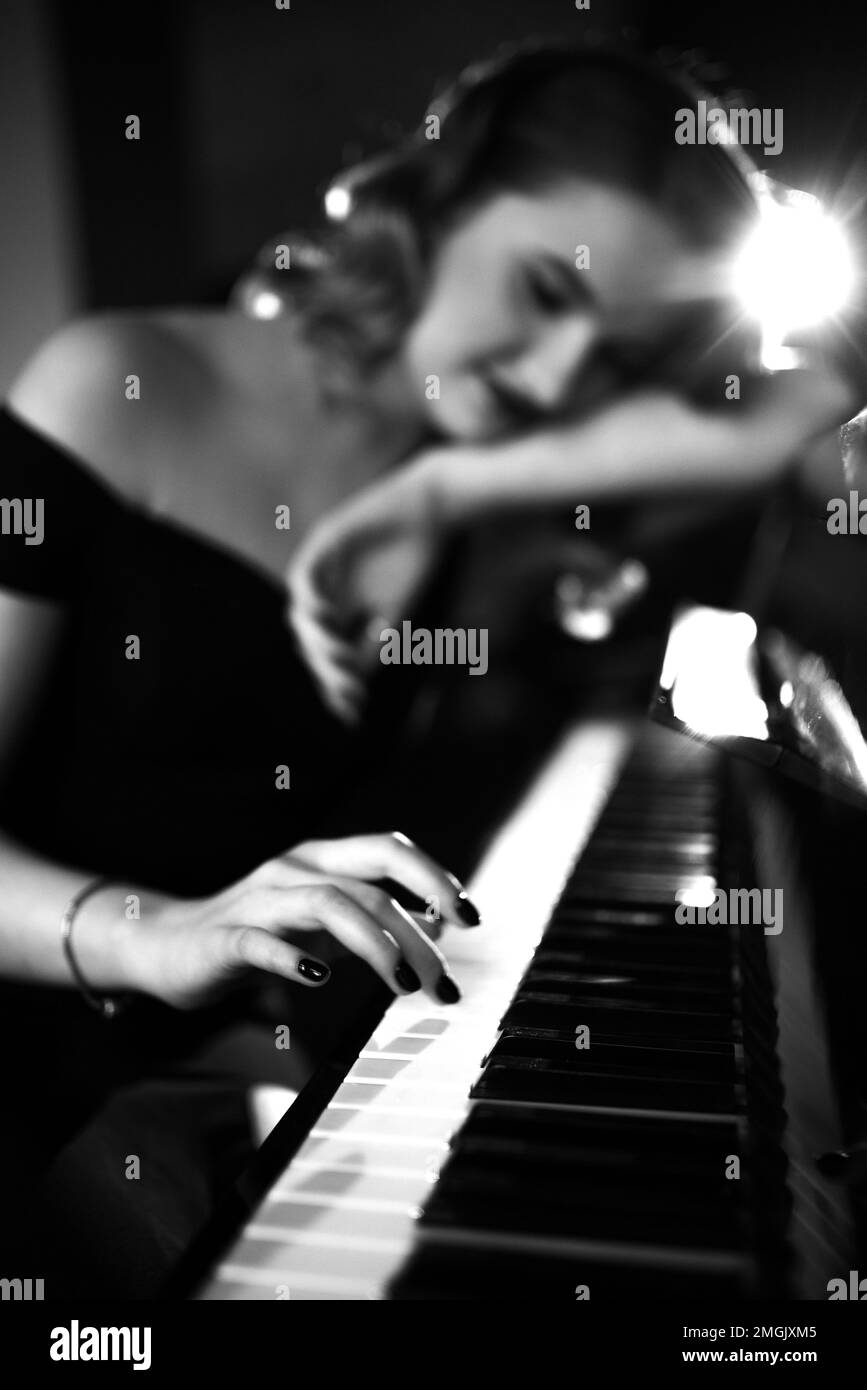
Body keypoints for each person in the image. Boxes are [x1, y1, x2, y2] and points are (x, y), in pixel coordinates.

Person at [0, 39, 855, 1297]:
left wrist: (451, 486)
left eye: (616, 355)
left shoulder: (480, 484)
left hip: (238, 1047)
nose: (563, 380)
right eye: (546, 295)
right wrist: (164, 933)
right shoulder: (117, 385)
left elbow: (820, 392)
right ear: (436, 199)